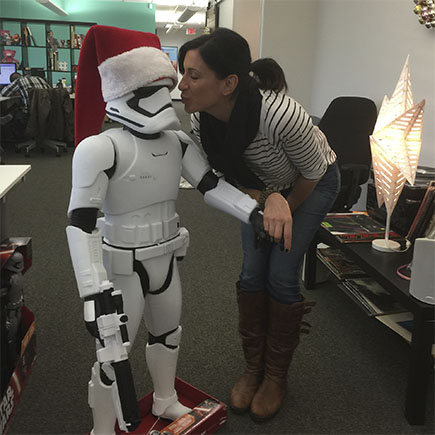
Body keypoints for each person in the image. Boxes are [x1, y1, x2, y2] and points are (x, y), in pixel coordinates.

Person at [66, 25, 265, 435]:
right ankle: (101, 428)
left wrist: (252, 212)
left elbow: (210, 185)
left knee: (169, 333)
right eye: (146, 91)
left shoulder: (177, 142)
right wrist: (91, 287)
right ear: (122, 90)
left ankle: (165, 397)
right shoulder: (101, 148)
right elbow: (80, 222)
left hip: (167, 255)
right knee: (112, 352)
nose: (161, 102)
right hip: (122, 264)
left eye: (164, 88)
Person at [177, 28, 340, 422]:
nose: (181, 85)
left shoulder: (281, 115)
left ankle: (275, 377)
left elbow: (313, 172)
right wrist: (263, 201)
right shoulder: (201, 121)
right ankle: (254, 368)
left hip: (310, 183)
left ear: (229, 83)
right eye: (182, 72)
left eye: (193, 75)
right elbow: (224, 178)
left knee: (281, 273)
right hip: (256, 192)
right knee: (252, 271)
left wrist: (280, 209)